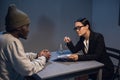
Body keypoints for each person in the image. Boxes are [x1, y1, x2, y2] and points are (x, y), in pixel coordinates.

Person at [0, 4, 51, 80]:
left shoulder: (3, 36)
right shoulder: (12, 42)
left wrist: (36, 55)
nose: (28, 30)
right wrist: (43, 58)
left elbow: (17, 58)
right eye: (27, 26)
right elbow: (27, 69)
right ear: (18, 27)